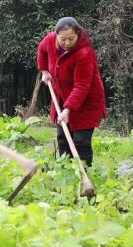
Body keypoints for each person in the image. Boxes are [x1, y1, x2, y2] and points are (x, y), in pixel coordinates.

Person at [36, 17, 106, 166]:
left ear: (78, 35)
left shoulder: (84, 53)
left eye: (71, 39)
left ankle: (84, 174)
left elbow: (82, 86)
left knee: (81, 141)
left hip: (87, 100)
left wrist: (68, 110)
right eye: (63, 39)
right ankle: (65, 172)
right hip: (62, 97)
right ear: (56, 35)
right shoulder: (49, 40)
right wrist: (44, 71)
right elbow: (41, 50)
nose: (67, 43)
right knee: (63, 137)